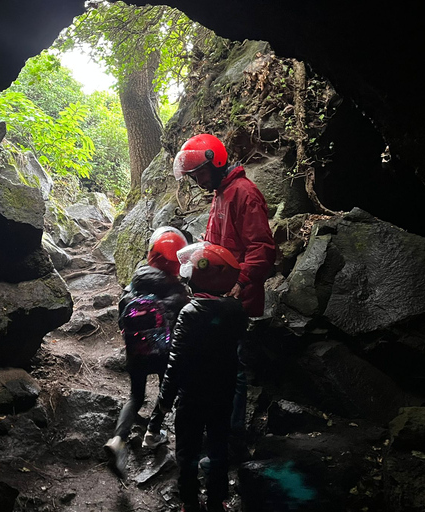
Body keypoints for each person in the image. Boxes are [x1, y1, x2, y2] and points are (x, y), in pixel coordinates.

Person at [173, 134, 276, 441]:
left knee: (236, 369)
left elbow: (262, 250)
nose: (197, 182)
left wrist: (240, 282)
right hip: (220, 296)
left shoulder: (244, 193)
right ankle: (217, 430)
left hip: (238, 298)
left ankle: (232, 438)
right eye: (192, 177)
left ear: (216, 162)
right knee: (221, 364)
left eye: (200, 174)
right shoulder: (221, 193)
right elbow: (214, 246)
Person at [158, 242, 249, 512]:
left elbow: (176, 361)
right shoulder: (236, 312)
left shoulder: (189, 313)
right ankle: (216, 500)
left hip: (192, 396)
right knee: (218, 446)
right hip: (223, 393)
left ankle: (189, 500)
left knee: (187, 450)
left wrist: (164, 400)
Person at [103, 226, 191, 478]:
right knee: (166, 394)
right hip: (165, 355)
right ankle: (153, 433)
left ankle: (118, 439)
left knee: (135, 396)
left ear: (152, 253)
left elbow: (122, 319)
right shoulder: (178, 291)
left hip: (137, 353)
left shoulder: (134, 284)